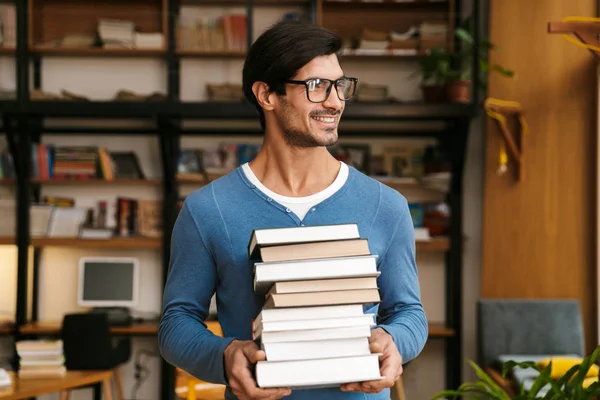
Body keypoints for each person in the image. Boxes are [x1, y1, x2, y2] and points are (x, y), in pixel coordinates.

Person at [158, 20, 428, 400]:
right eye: (316, 87)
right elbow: (176, 324)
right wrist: (225, 354)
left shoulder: (387, 206)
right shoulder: (207, 210)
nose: (335, 102)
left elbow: (410, 314)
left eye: (340, 86)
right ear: (266, 95)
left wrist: (394, 339)